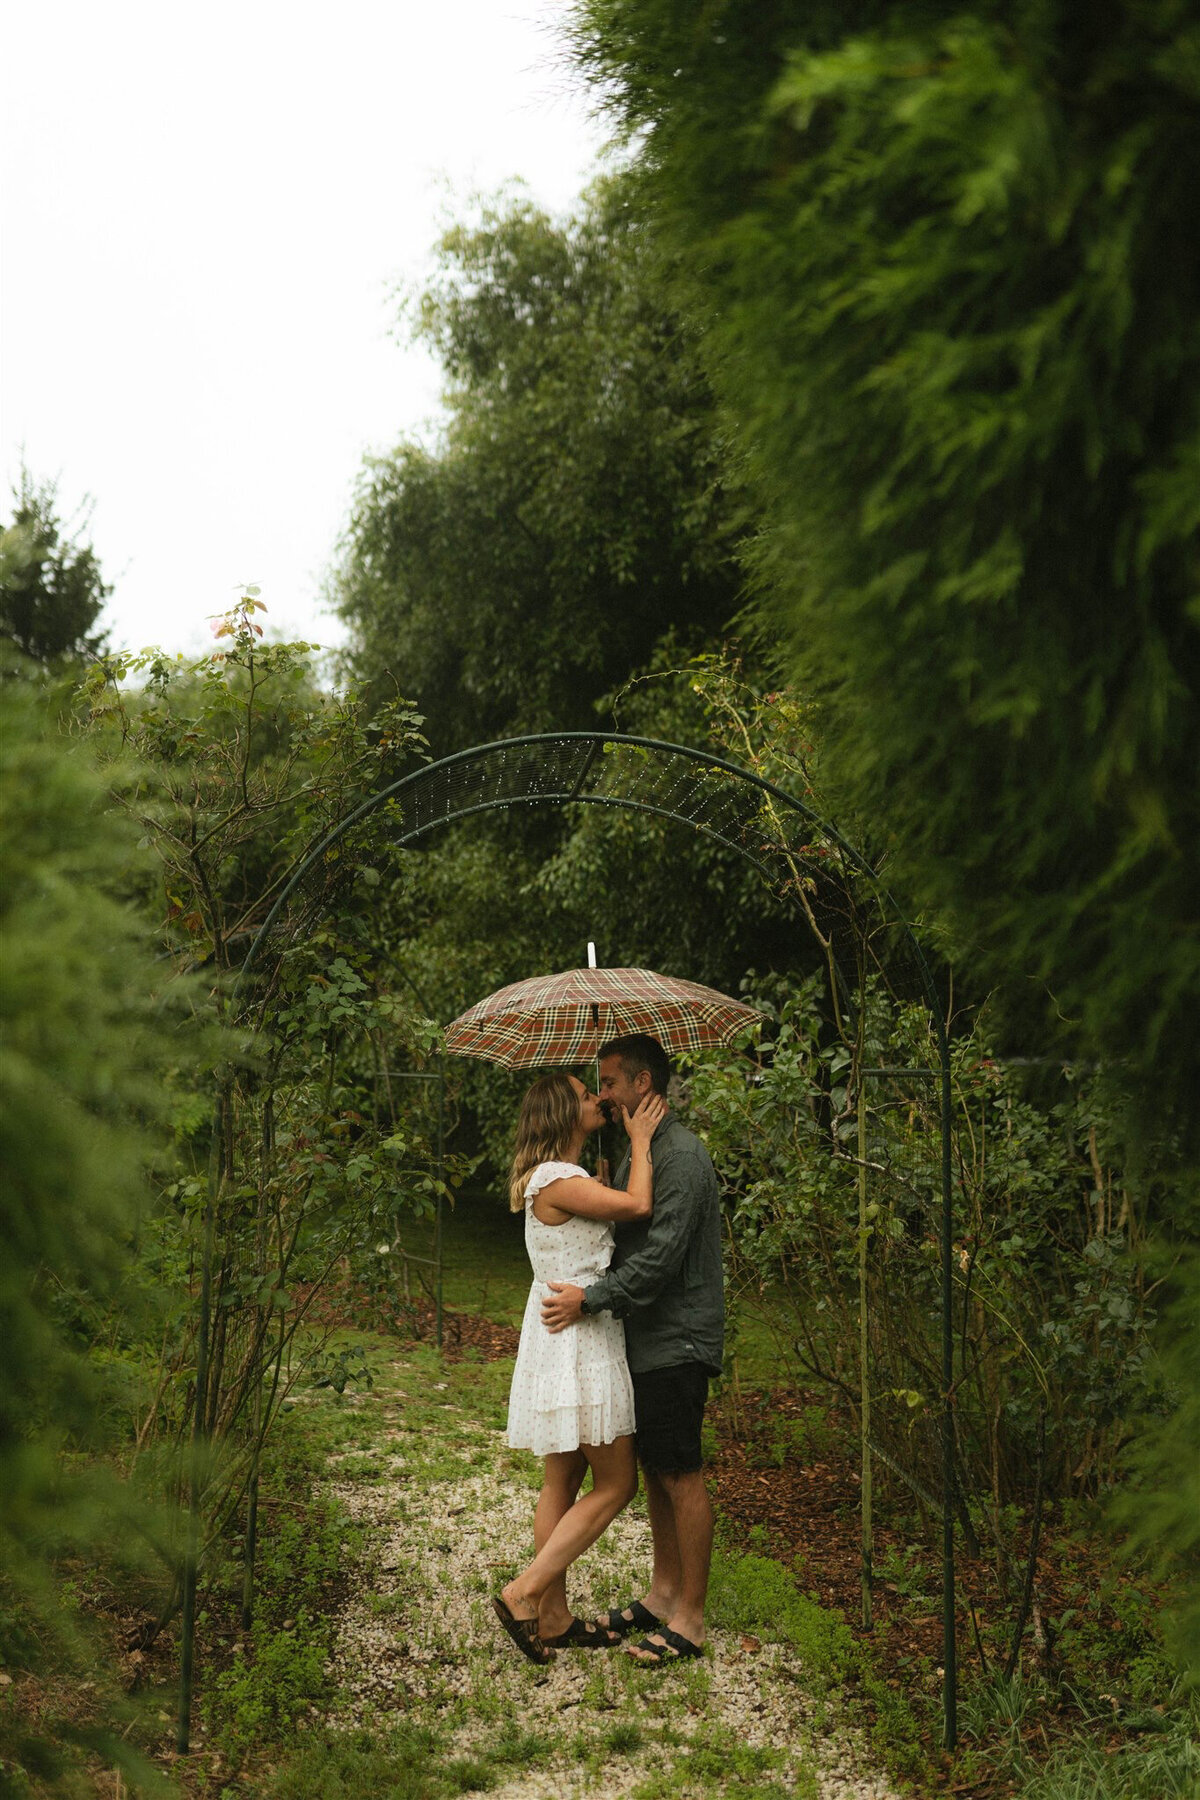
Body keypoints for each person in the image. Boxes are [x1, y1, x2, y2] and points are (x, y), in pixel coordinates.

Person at [541, 1034, 723, 1665]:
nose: (605, 1095)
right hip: (642, 1340)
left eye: (610, 1083)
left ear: (642, 1085)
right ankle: (664, 1593)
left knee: (681, 1471)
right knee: (655, 1471)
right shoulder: (643, 1152)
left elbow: (663, 1260)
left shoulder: (682, 1158)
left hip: (678, 1339)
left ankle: (691, 1619)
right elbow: (629, 1239)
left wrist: (589, 1298)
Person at [493, 1070, 667, 1665]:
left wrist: (603, 1185)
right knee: (616, 1483)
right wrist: (641, 1142)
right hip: (580, 1340)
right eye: (582, 1094)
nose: (597, 1097)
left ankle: (554, 1619)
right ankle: (526, 1592)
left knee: (561, 1481)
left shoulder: (556, 1179)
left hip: (559, 1334)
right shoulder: (558, 1179)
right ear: (561, 1116)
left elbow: (600, 1221)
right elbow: (640, 1207)